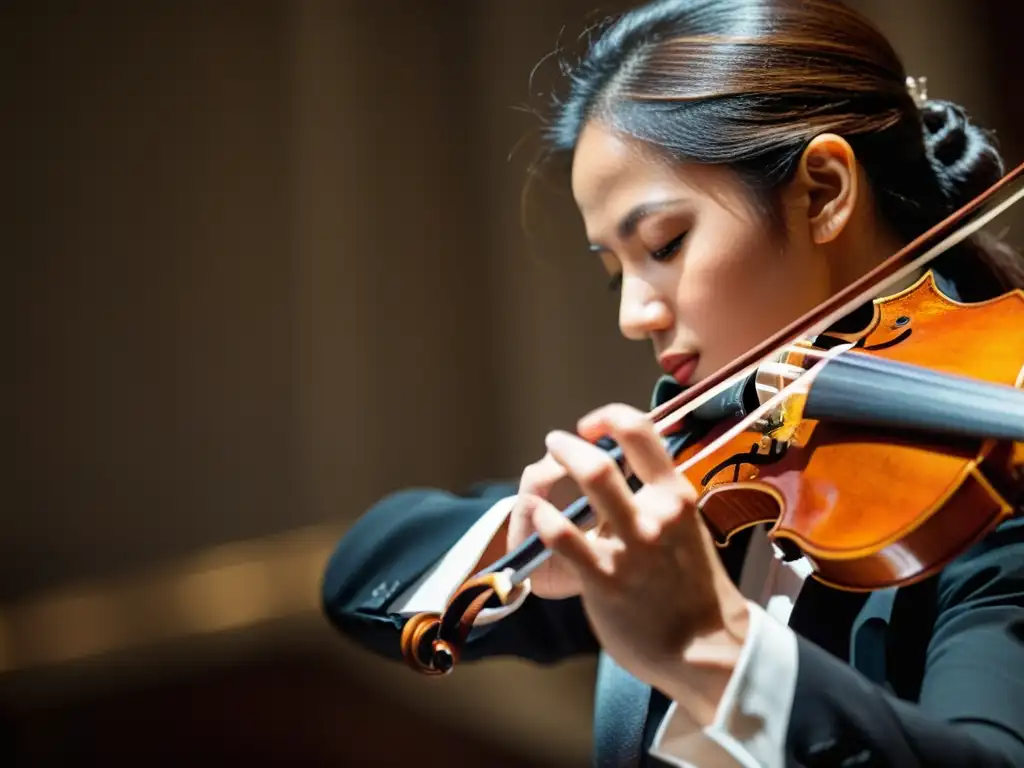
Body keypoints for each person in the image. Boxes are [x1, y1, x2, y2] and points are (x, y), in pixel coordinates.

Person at [321, 1, 1024, 765]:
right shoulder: (719, 467)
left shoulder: (994, 484)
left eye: (665, 244)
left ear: (823, 192)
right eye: (614, 272)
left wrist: (719, 648)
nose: (633, 315)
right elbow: (360, 570)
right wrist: (522, 536)